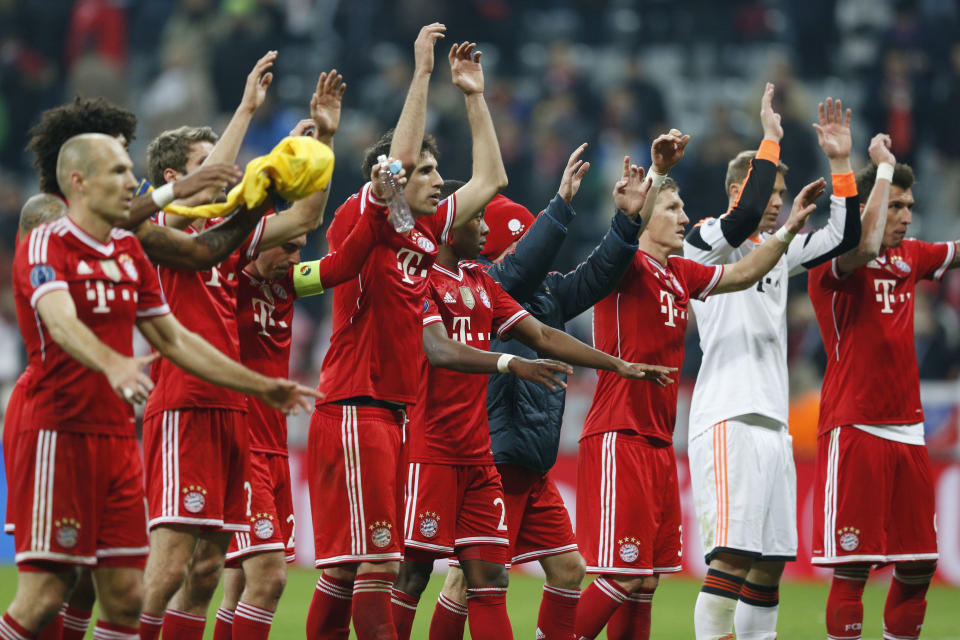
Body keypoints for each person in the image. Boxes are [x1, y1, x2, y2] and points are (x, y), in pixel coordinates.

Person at [0, 133, 317, 640]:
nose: (130, 181)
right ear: (80, 182)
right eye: (119, 172)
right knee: (51, 594)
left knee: (125, 594)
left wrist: (260, 385)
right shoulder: (46, 238)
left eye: (131, 172)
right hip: (59, 427)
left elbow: (176, 332)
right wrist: (113, 362)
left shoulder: (128, 250)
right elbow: (59, 321)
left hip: (120, 433)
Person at [390, 156, 675, 640]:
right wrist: (561, 204)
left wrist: (627, 222)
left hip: (521, 457)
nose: (529, 250)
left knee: (554, 570)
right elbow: (443, 347)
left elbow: (568, 309)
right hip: (475, 450)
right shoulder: (488, 279)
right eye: (515, 238)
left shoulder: (529, 292)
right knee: (443, 577)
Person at [572, 129, 828, 640]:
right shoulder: (622, 264)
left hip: (660, 439)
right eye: (673, 209)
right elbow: (629, 227)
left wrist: (786, 232)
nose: (685, 218)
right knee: (621, 574)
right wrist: (658, 173)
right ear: (647, 216)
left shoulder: (678, 274)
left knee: (646, 580)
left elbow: (743, 273)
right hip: (619, 433)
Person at [304, 26, 514, 640]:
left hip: (389, 412)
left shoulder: (420, 234)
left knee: (348, 570)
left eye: (436, 169)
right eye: (426, 169)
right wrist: (421, 74)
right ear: (387, 177)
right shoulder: (365, 216)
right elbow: (393, 171)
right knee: (377, 564)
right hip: (353, 405)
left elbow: (491, 181)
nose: (436, 179)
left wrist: (474, 96)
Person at [137, 68, 344, 640]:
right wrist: (247, 111)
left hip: (230, 410)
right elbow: (192, 207)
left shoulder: (224, 246)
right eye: (209, 162)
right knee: (171, 566)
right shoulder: (161, 226)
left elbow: (303, 219)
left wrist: (322, 143)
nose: (227, 172)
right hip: (183, 402)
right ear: (175, 177)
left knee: (205, 573)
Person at [683, 89, 861, 640]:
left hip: (773, 424)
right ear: (741, 190)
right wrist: (772, 138)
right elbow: (741, 225)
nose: (780, 201)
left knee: (768, 568)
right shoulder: (706, 240)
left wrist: (839, 164)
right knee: (731, 560)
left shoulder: (779, 246)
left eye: (783, 192)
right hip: (727, 416)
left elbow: (843, 236)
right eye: (773, 190)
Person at [807, 134, 950, 640]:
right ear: (871, 206)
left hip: (908, 430)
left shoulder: (912, 255)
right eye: (895, 206)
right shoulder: (834, 262)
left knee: (918, 564)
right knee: (854, 567)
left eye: (910, 206)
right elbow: (865, 244)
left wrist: (892, 179)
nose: (906, 216)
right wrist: (881, 169)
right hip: (856, 425)